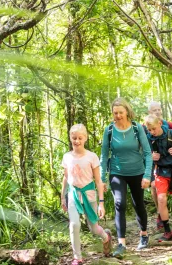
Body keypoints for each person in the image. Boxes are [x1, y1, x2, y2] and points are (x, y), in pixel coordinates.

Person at [100, 97, 153, 258]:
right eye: (115, 113)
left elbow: (147, 153)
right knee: (119, 203)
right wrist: (102, 179)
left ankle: (143, 234)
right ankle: (121, 243)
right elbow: (103, 155)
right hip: (117, 172)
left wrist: (147, 175)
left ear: (127, 112)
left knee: (139, 205)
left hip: (137, 172)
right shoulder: (109, 130)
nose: (118, 116)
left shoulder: (137, 128)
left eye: (121, 112)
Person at [61, 124, 112, 265]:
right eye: (74, 138)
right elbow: (66, 177)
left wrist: (101, 203)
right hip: (73, 195)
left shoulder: (92, 156)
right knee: (74, 225)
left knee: (94, 228)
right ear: (70, 138)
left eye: (80, 138)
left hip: (89, 194)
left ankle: (106, 236)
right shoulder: (67, 157)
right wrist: (62, 198)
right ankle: (77, 257)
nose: (77, 141)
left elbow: (98, 181)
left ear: (85, 138)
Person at [145, 114, 172, 241]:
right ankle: (167, 231)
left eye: (154, 129)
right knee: (161, 198)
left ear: (160, 124)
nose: (152, 132)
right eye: (149, 130)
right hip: (161, 171)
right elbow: (144, 155)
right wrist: (151, 155)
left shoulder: (170, 134)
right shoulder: (148, 139)